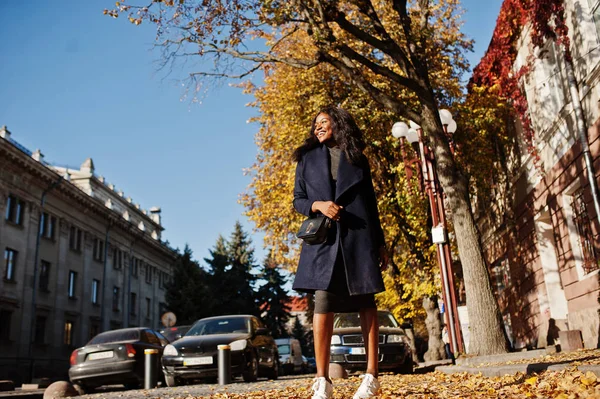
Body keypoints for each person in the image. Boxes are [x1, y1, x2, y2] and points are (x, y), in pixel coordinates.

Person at [292, 106, 389, 399]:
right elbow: (298, 200)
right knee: (322, 305)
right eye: (315, 123)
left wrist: (381, 244)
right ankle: (322, 381)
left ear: (338, 124)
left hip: (358, 240)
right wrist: (318, 205)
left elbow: (371, 205)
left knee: (366, 304)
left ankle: (371, 377)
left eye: (324, 121)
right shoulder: (306, 160)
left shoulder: (358, 160)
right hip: (323, 242)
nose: (318, 127)